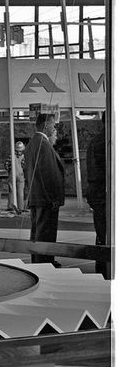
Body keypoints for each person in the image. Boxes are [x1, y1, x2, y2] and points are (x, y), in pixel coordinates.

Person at [24, 112, 65, 265]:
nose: (54, 128)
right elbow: (46, 174)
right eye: (53, 124)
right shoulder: (43, 144)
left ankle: (40, 261)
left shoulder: (33, 143)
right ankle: (44, 263)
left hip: (37, 196)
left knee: (38, 231)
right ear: (46, 124)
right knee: (45, 233)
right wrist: (52, 198)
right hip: (45, 198)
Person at [85, 114, 108, 278]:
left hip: (97, 192)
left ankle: (101, 267)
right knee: (106, 233)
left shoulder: (95, 141)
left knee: (101, 233)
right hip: (104, 193)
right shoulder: (107, 141)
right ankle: (105, 269)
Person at [10, 140, 26, 213]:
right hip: (21, 174)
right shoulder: (23, 157)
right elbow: (24, 166)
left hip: (12, 174)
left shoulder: (11, 156)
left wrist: (9, 171)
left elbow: (6, 165)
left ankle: (11, 206)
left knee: (12, 191)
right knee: (20, 192)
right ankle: (21, 207)